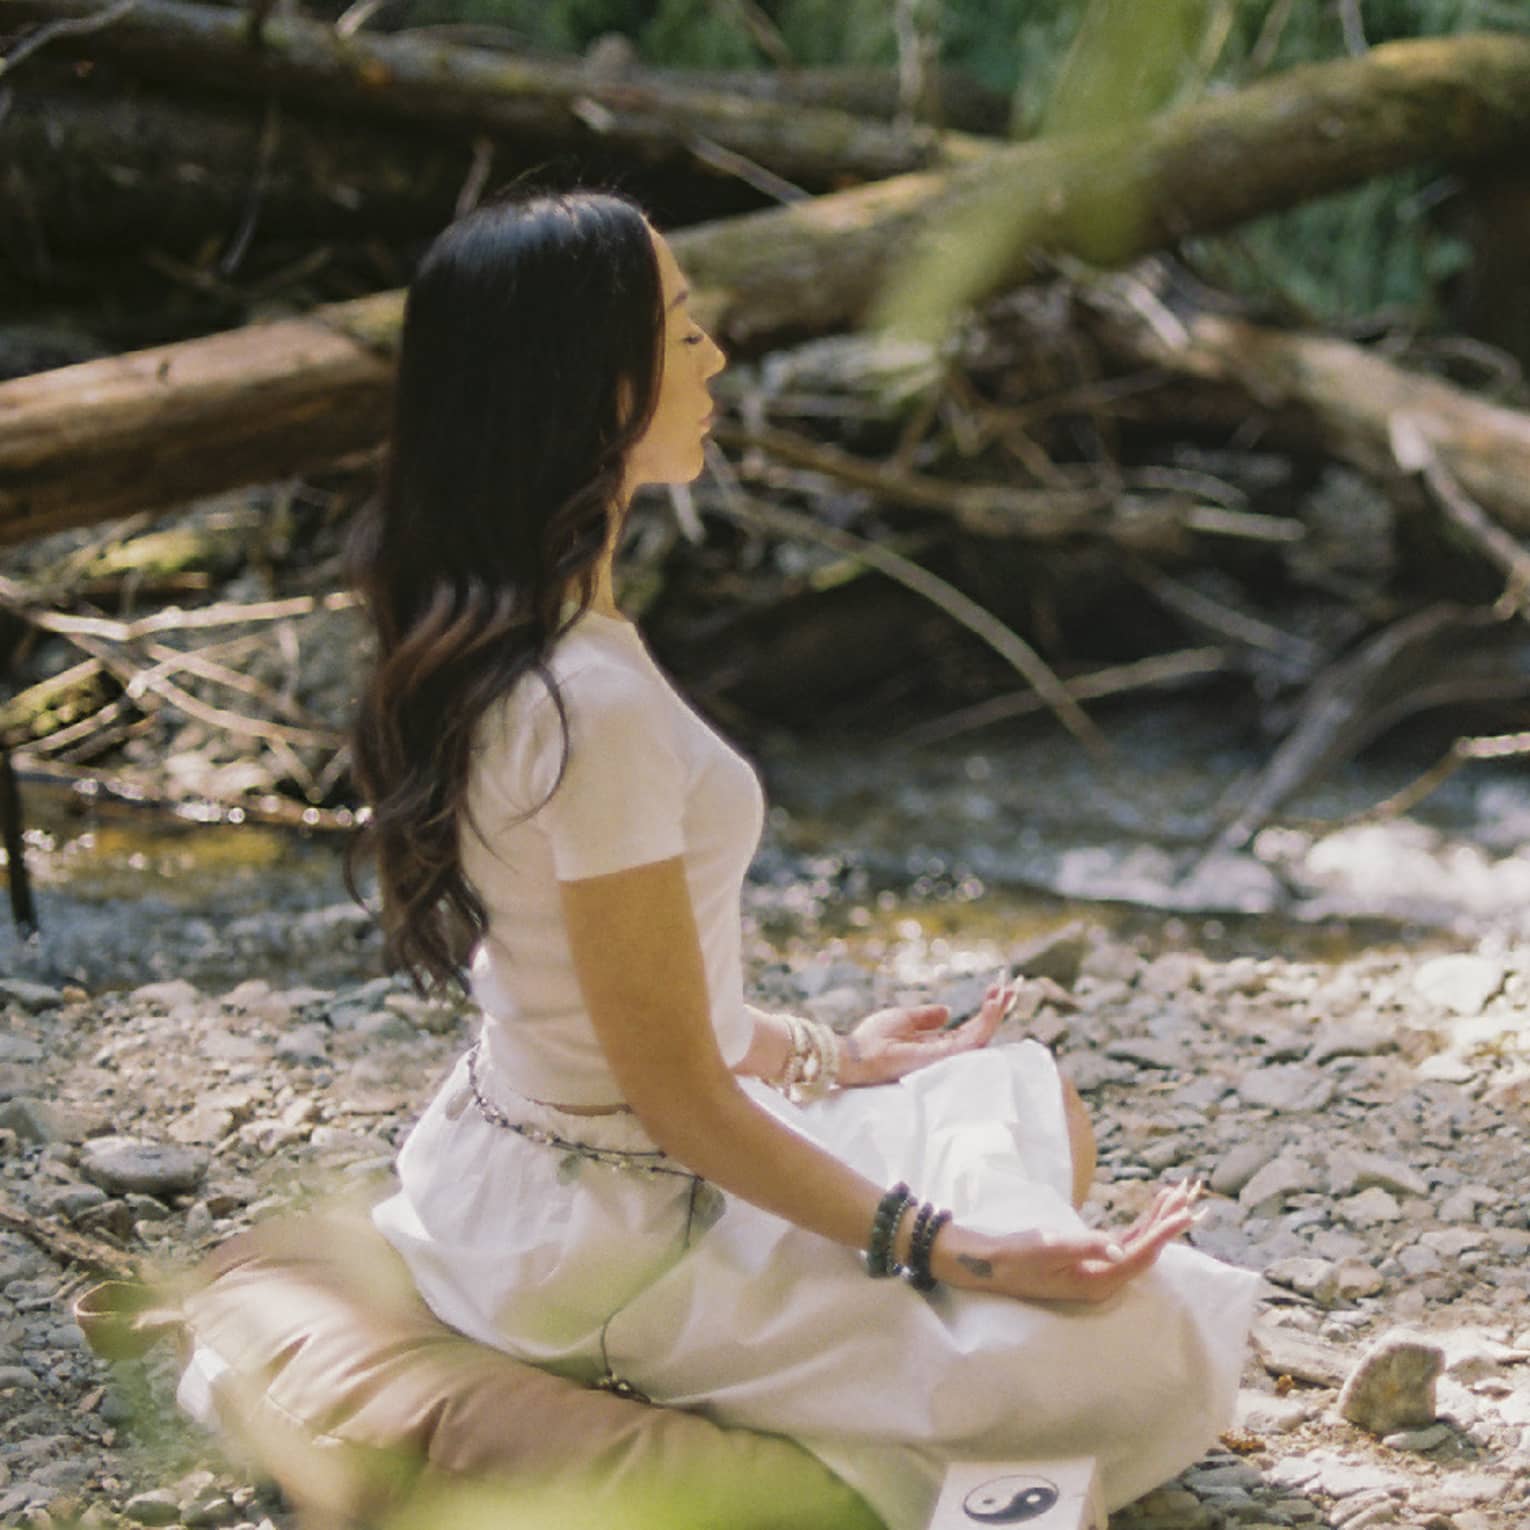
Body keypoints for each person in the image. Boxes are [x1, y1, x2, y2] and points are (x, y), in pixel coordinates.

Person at [348, 185, 1259, 1530]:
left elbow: (593, 1001)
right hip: (604, 1237)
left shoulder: (530, 643)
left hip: (529, 1158)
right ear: (589, 386)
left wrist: (830, 1053)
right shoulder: (583, 706)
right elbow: (676, 1102)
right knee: (1140, 1342)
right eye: (678, 328)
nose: (713, 355)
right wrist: (944, 1244)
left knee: (1012, 1083)